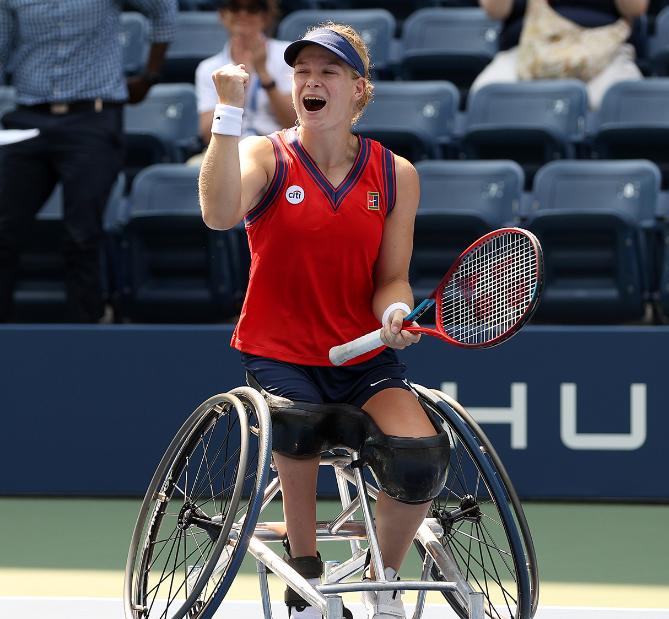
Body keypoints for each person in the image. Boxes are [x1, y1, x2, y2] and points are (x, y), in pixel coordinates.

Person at [199, 22, 438, 619]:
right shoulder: (264, 155)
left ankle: (381, 576)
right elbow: (218, 212)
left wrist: (394, 311)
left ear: (358, 89)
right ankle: (305, 570)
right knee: (298, 422)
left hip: (362, 356)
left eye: (328, 72)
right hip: (280, 350)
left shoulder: (395, 174)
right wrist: (230, 111)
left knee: (420, 456)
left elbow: (393, 275)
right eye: (303, 71)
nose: (311, 81)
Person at [0, 0, 177, 323]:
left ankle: (85, 335)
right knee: (1, 232)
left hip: (92, 116)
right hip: (29, 115)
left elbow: (162, 9)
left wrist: (150, 75)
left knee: (82, 235)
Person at [471, 0, 648, 110]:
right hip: (527, 53)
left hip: (603, 53)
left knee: (624, 98)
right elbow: (495, 10)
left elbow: (635, 8)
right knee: (485, 93)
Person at [194, 0, 295, 147]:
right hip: (228, 148)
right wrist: (238, 84)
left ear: (265, 16)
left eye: (253, 8)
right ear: (223, 15)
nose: (243, 14)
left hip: (279, 148)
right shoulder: (208, 68)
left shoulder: (287, 54)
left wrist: (263, 73)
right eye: (235, 7)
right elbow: (207, 135)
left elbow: (294, 123)